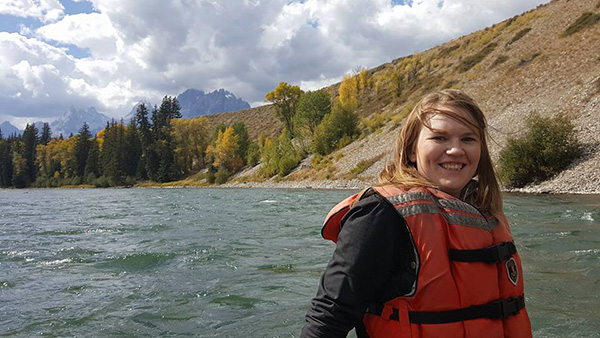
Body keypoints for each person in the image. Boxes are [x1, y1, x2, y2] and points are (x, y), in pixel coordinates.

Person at [301, 89, 532, 338]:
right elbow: (329, 317)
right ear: (412, 150)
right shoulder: (382, 213)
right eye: (439, 138)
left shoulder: (486, 213)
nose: (455, 150)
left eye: (468, 139)